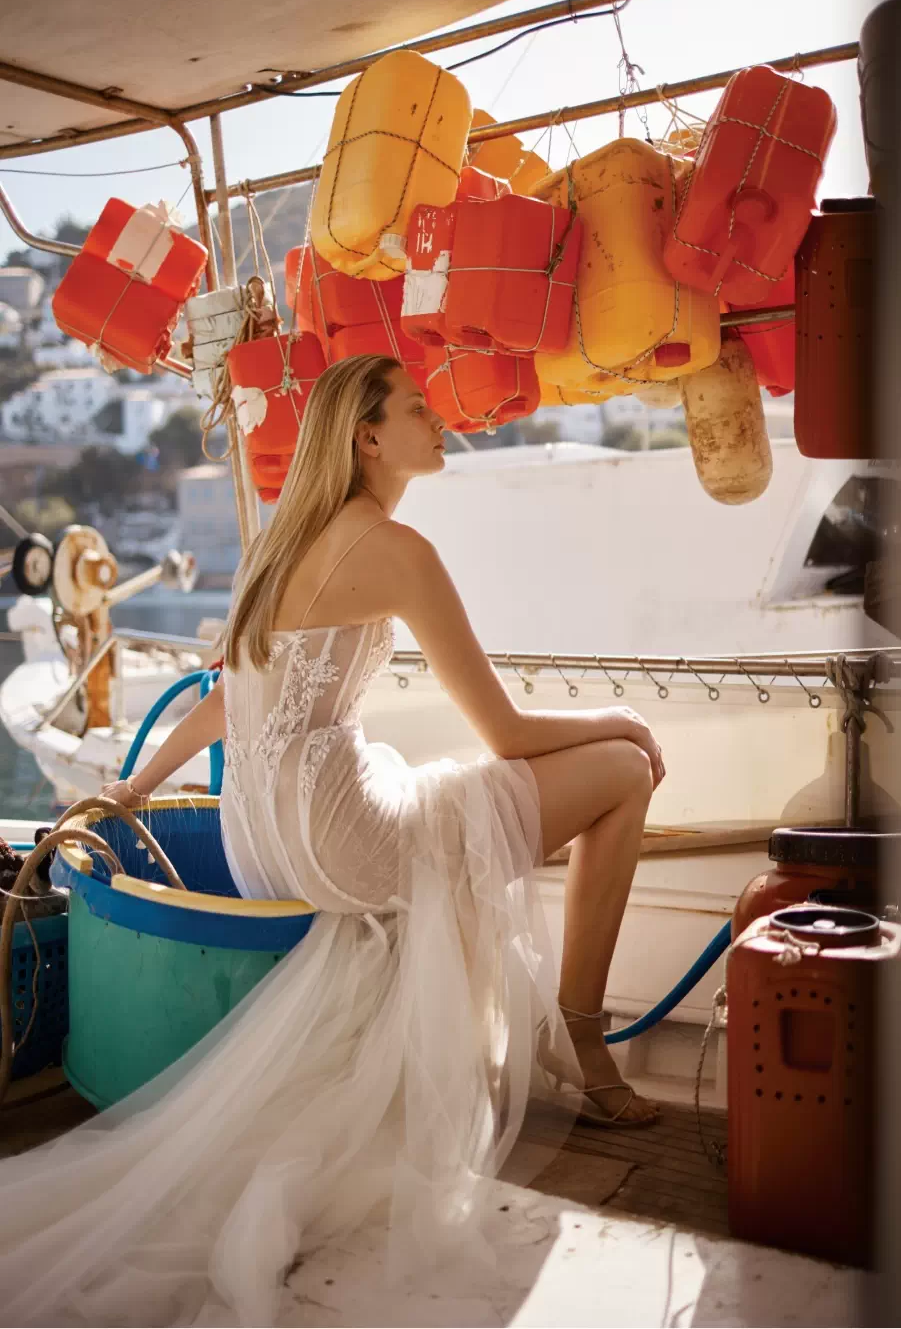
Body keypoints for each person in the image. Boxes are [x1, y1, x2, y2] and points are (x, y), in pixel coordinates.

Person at [0, 355, 664, 1327]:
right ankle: (583, 1035)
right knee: (624, 771)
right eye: (417, 409)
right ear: (367, 437)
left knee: (468, 787)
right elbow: (506, 733)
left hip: (269, 829)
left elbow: (231, 699)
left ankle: (567, 1028)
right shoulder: (397, 551)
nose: (439, 422)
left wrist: (137, 784)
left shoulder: (287, 536)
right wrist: (622, 719)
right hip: (340, 831)